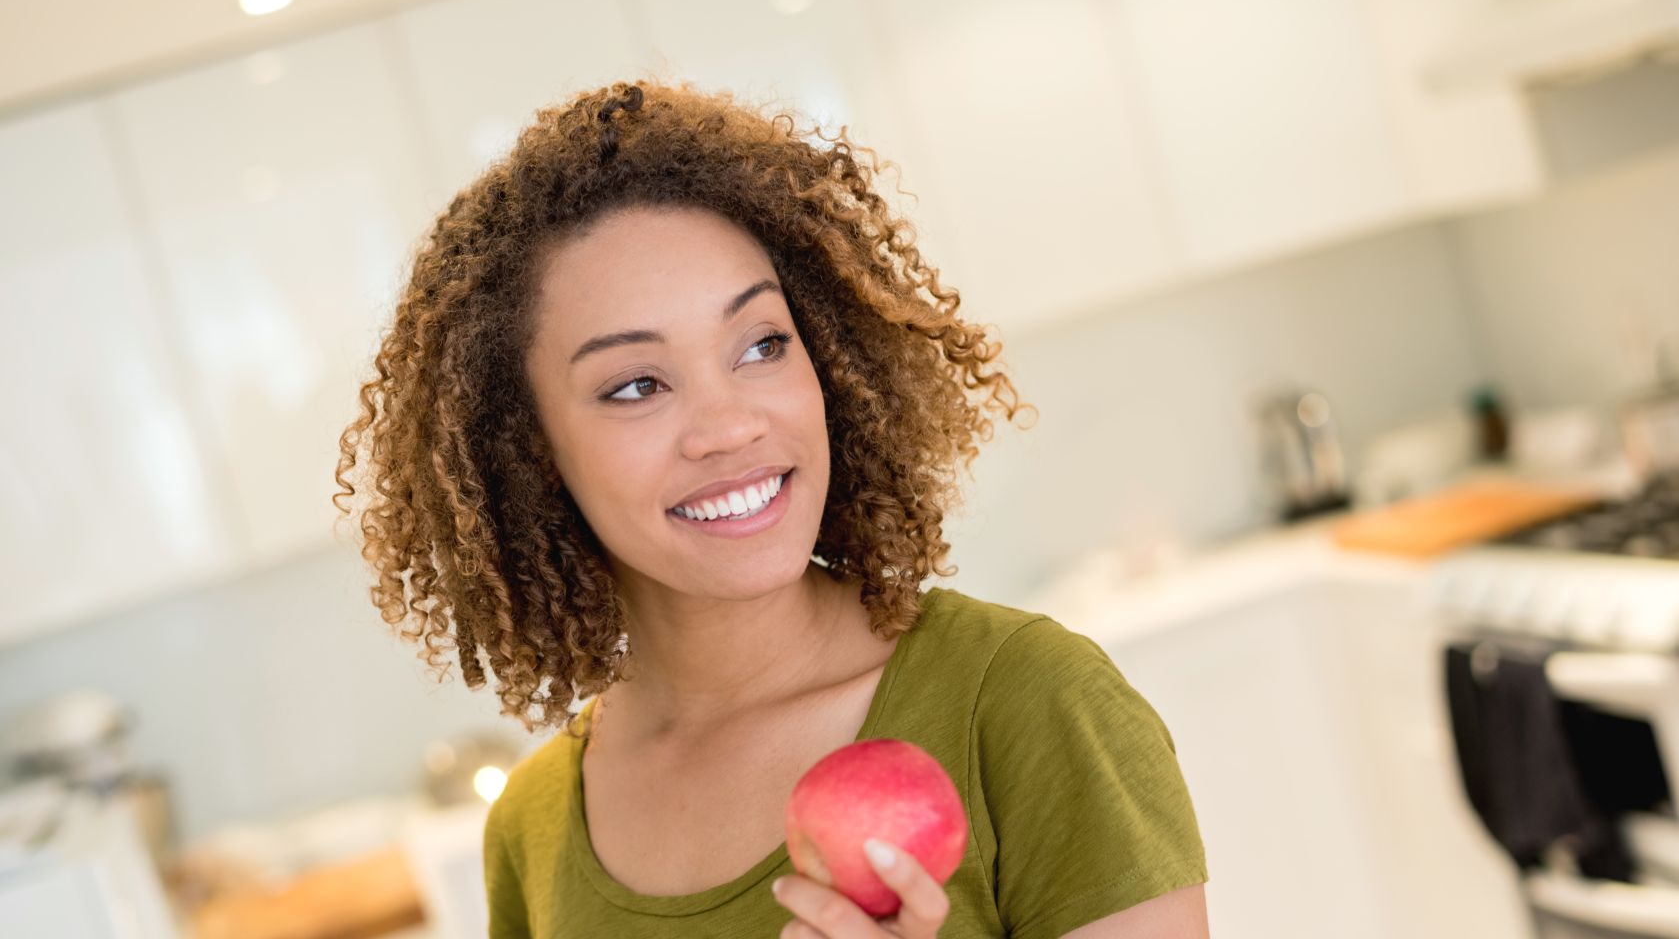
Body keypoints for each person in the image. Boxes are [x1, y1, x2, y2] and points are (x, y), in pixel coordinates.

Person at [334, 78, 1209, 938]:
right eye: (636, 384)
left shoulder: (1023, 702)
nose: (730, 426)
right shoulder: (532, 830)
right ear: (525, 453)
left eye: (761, 345)